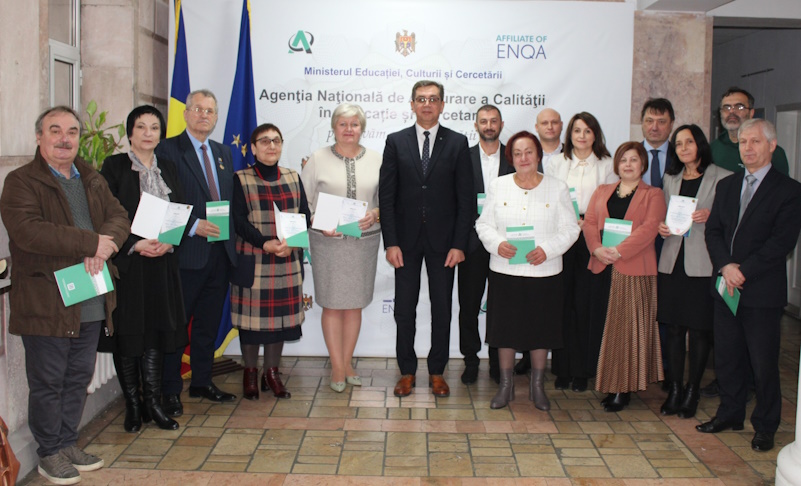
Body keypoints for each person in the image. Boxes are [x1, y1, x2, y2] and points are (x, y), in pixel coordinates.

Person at [0, 106, 129, 484]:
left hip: (90, 297)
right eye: (54, 130)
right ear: (39, 136)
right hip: (46, 300)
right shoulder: (20, 181)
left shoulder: (91, 177)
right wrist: (90, 243)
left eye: (72, 131)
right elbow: (28, 231)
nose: (64, 138)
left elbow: (119, 216)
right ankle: (49, 452)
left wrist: (105, 245)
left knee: (77, 378)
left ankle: (67, 442)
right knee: (48, 381)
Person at [698, 119, 801, 453]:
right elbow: (713, 231)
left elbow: (781, 242)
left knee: (762, 363)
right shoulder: (727, 185)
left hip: (761, 292)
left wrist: (743, 271)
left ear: (772, 145)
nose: (748, 148)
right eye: (743, 142)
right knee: (727, 358)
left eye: (755, 141)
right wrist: (726, 267)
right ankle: (730, 413)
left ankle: (766, 425)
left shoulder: (789, 190)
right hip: (726, 287)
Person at [379, 80, 474, 398]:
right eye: (421, 99)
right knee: (404, 310)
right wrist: (390, 242)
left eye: (433, 99)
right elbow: (387, 197)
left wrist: (459, 244)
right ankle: (406, 371)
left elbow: (465, 199)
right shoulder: (396, 141)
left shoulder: (457, 142)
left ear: (442, 105)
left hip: (444, 243)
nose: (427, 104)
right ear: (412, 104)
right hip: (404, 243)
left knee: (442, 309)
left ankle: (437, 372)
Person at [99, 106, 189, 431]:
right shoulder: (114, 167)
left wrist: (169, 241)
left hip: (162, 264)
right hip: (129, 265)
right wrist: (134, 245)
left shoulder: (169, 167)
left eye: (154, 127)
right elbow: (106, 215)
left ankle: (153, 402)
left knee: (156, 332)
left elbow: (180, 210)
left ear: (161, 134)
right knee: (128, 333)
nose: (148, 133)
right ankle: (133, 406)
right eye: (141, 127)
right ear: (130, 133)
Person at [476, 131, 579, 410]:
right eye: (518, 153)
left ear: (538, 155)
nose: (524, 158)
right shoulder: (498, 186)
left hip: (544, 272)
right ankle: (505, 386)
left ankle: (537, 386)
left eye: (529, 152)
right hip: (505, 271)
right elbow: (483, 225)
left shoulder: (557, 187)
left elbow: (571, 229)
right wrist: (498, 244)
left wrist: (548, 249)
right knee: (504, 330)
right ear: (511, 158)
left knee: (541, 330)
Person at [156, 89, 237, 415]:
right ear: (186, 113)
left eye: (210, 111)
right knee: (177, 326)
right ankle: (170, 390)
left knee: (207, 324)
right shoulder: (166, 150)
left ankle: (202, 381)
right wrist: (192, 225)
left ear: (216, 117)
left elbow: (227, 201)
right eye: (198, 109)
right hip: (186, 254)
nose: (204, 115)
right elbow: (161, 200)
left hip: (220, 254)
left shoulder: (222, 152)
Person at [301, 104, 381, 393]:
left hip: (363, 241)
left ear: (362, 128)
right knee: (333, 304)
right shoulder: (317, 159)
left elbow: (387, 200)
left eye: (354, 124)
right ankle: (337, 366)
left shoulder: (377, 159)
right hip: (328, 242)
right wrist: (316, 221)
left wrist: (376, 214)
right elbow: (303, 202)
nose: (349, 129)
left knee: (354, 304)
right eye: (343, 124)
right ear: (334, 127)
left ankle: (347, 363)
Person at [583, 141, 666, 412]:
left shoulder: (653, 194)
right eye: (623, 160)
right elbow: (590, 223)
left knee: (626, 331)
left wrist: (618, 251)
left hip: (633, 269)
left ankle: (623, 387)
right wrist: (596, 248)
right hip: (602, 267)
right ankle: (608, 381)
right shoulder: (602, 191)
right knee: (605, 328)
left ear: (643, 164)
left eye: (634, 159)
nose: (628, 164)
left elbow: (649, 229)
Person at [231, 123, 311, 400]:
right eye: (264, 141)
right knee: (251, 324)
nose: (271, 146)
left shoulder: (292, 176)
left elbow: (303, 214)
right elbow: (237, 220)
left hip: (286, 260)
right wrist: (264, 243)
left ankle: (272, 373)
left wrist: (292, 243)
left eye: (276, 140)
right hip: (254, 260)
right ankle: (250, 373)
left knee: (280, 322)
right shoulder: (240, 179)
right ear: (253, 148)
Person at [656, 125, 731, 418]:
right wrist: (662, 227)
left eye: (689, 142)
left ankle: (692, 391)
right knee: (674, 329)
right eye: (678, 144)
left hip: (702, 264)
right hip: (672, 262)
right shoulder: (670, 178)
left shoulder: (722, 177)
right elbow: (664, 215)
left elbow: (733, 222)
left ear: (700, 144)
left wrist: (713, 216)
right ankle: (675, 389)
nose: (684, 148)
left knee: (700, 331)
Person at [545, 112, 616, 392]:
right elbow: (549, 198)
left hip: (593, 238)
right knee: (562, 302)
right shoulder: (556, 163)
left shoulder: (607, 164)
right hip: (563, 236)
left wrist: (590, 223)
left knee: (588, 304)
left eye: (588, 131)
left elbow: (612, 202)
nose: (582, 136)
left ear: (595, 134)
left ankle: (584, 370)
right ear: (569, 134)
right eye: (577, 131)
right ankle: (562, 369)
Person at [458, 104, 514, 385]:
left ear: (501, 125)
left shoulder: (514, 157)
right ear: (476, 125)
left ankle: (496, 361)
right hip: (471, 243)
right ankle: (470, 360)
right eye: (484, 121)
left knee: (501, 306)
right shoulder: (463, 157)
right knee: (468, 305)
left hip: (506, 244)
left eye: (494, 121)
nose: (489, 126)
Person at [711, 87, 789, 176]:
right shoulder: (714, 148)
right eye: (727, 107)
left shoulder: (771, 151)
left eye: (739, 107)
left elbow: (782, 183)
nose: (732, 111)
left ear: (751, 113)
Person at [640, 98, 675, 189]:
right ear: (642, 123)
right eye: (649, 121)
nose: (654, 128)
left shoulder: (679, 156)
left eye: (661, 122)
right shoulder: (631, 155)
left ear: (671, 125)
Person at [535, 108, 564, 173]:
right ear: (536, 127)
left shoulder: (573, 153)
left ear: (561, 125)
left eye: (554, 123)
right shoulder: (528, 156)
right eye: (544, 123)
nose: (550, 127)